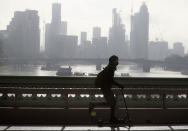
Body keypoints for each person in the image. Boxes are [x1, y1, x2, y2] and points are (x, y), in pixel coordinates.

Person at [89, 55, 124, 123]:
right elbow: (111, 80)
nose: (117, 62)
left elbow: (110, 80)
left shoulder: (110, 67)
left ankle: (93, 104)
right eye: (116, 60)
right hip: (106, 88)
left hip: (105, 87)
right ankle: (112, 118)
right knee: (112, 103)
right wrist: (120, 85)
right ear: (113, 61)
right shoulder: (110, 68)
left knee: (111, 103)